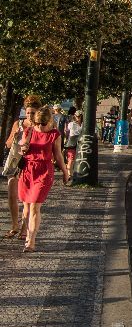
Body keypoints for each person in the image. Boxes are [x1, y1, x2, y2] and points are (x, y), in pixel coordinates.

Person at [17, 105, 70, 251]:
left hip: (44, 171)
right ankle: (27, 235)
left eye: (43, 124)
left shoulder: (55, 134)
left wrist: (65, 172)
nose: (40, 126)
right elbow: (21, 148)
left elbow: (58, 155)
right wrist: (23, 148)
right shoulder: (29, 131)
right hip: (27, 170)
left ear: (50, 122)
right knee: (26, 207)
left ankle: (31, 242)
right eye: (37, 123)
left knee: (35, 205)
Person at [5, 96, 41, 240]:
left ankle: (25, 229)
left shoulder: (41, 126)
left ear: (38, 112)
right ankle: (14, 225)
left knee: (27, 198)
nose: (30, 116)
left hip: (30, 164)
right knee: (12, 194)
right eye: (27, 113)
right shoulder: (18, 124)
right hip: (15, 162)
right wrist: (14, 136)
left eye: (32, 113)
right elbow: (7, 144)